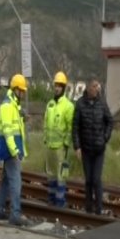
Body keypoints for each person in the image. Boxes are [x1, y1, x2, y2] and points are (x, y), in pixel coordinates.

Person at [72, 79, 113, 215]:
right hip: (86, 149)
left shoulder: (102, 104)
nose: (97, 88)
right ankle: (88, 208)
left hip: (99, 148)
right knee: (88, 179)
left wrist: (105, 138)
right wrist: (77, 146)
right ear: (89, 88)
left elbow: (110, 121)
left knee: (96, 179)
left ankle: (99, 208)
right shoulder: (80, 104)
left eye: (98, 86)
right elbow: (75, 127)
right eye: (95, 86)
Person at [0, 74, 29, 226]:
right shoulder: (7, 106)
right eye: (21, 91)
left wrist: (22, 117)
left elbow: (15, 126)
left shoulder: (14, 104)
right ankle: (15, 214)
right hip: (10, 149)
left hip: (10, 148)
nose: (23, 94)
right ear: (15, 89)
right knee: (15, 181)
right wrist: (15, 151)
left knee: (6, 180)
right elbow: (8, 132)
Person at [43, 71, 74, 207]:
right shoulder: (50, 104)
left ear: (64, 88)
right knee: (50, 174)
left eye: (59, 86)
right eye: (55, 85)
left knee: (61, 176)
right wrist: (45, 139)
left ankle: (60, 202)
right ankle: (51, 199)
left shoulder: (68, 106)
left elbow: (70, 127)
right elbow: (45, 123)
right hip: (49, 145)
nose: (57, 88)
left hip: (61, 147)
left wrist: (66, 144)